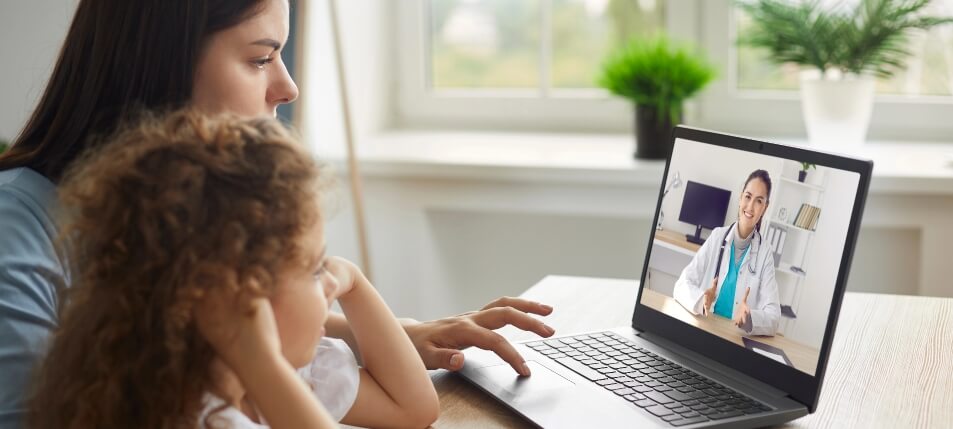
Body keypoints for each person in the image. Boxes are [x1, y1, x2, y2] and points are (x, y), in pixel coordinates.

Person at [0, 0, 554, 425]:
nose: (287, 87)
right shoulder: (15, 237)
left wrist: (379, 332)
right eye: (261, 57)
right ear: (156, 63)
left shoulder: (199, 249)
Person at [27, 110, 439, 429]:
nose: (330, 280)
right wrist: (263, 366)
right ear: (234, 295)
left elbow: (415, 408)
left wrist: (354, 281)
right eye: (315, 270)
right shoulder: (188, 416)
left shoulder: (289, 377)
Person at [672, 170, 781, 336]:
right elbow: (681, 284)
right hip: (705, 328)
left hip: (735, 337)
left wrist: (750, 318)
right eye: (748, 196)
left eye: (759, 201)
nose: (750, 206)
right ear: (740, 197)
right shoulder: (717, 236)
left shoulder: (765, 252)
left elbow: (774, 317)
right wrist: (702, 299)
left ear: (765, 208)